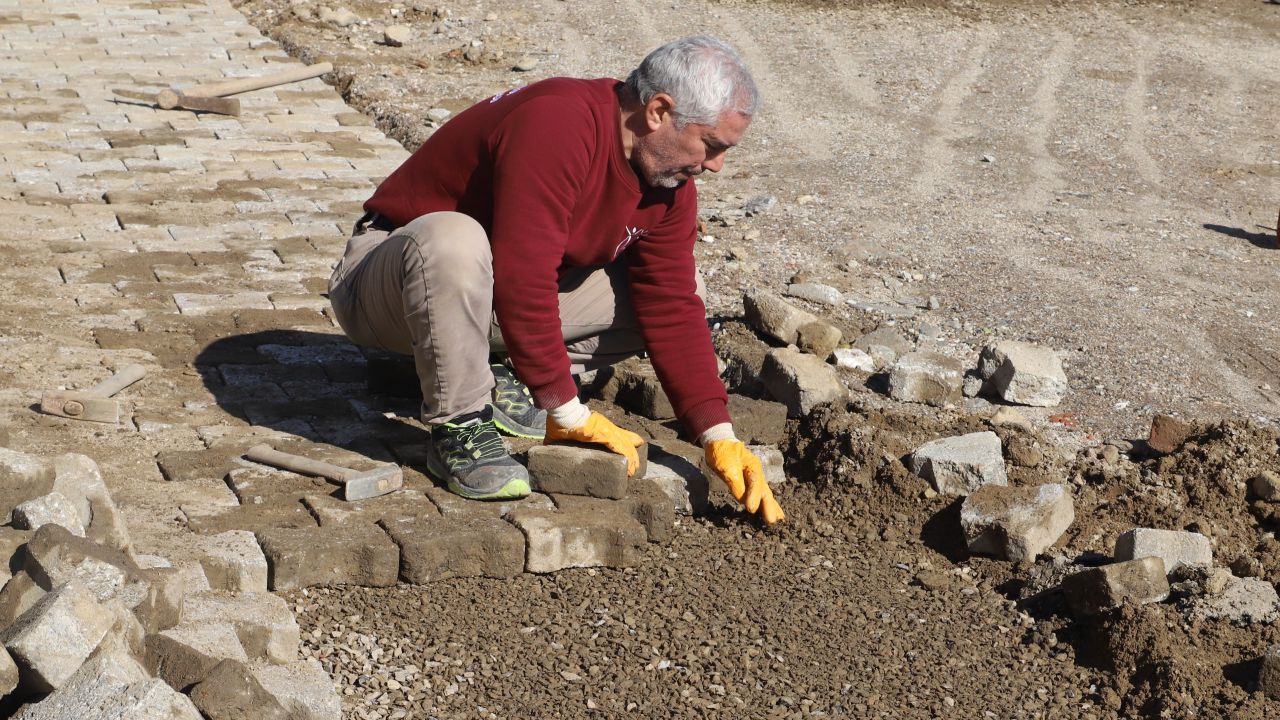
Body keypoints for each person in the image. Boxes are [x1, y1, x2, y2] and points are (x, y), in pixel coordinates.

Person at [328, 35, 783, 524]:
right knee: (454, 239)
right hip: (387, 282)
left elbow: (670, 303)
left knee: (674, 295)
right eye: (711, 144)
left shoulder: (669, 181)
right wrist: (567, 412)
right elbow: (525, 272)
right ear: (658, 111)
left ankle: (487, 367)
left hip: (484, 297)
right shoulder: (559, 122)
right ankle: (459, 424)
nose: (716, 165)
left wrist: (718, 434)